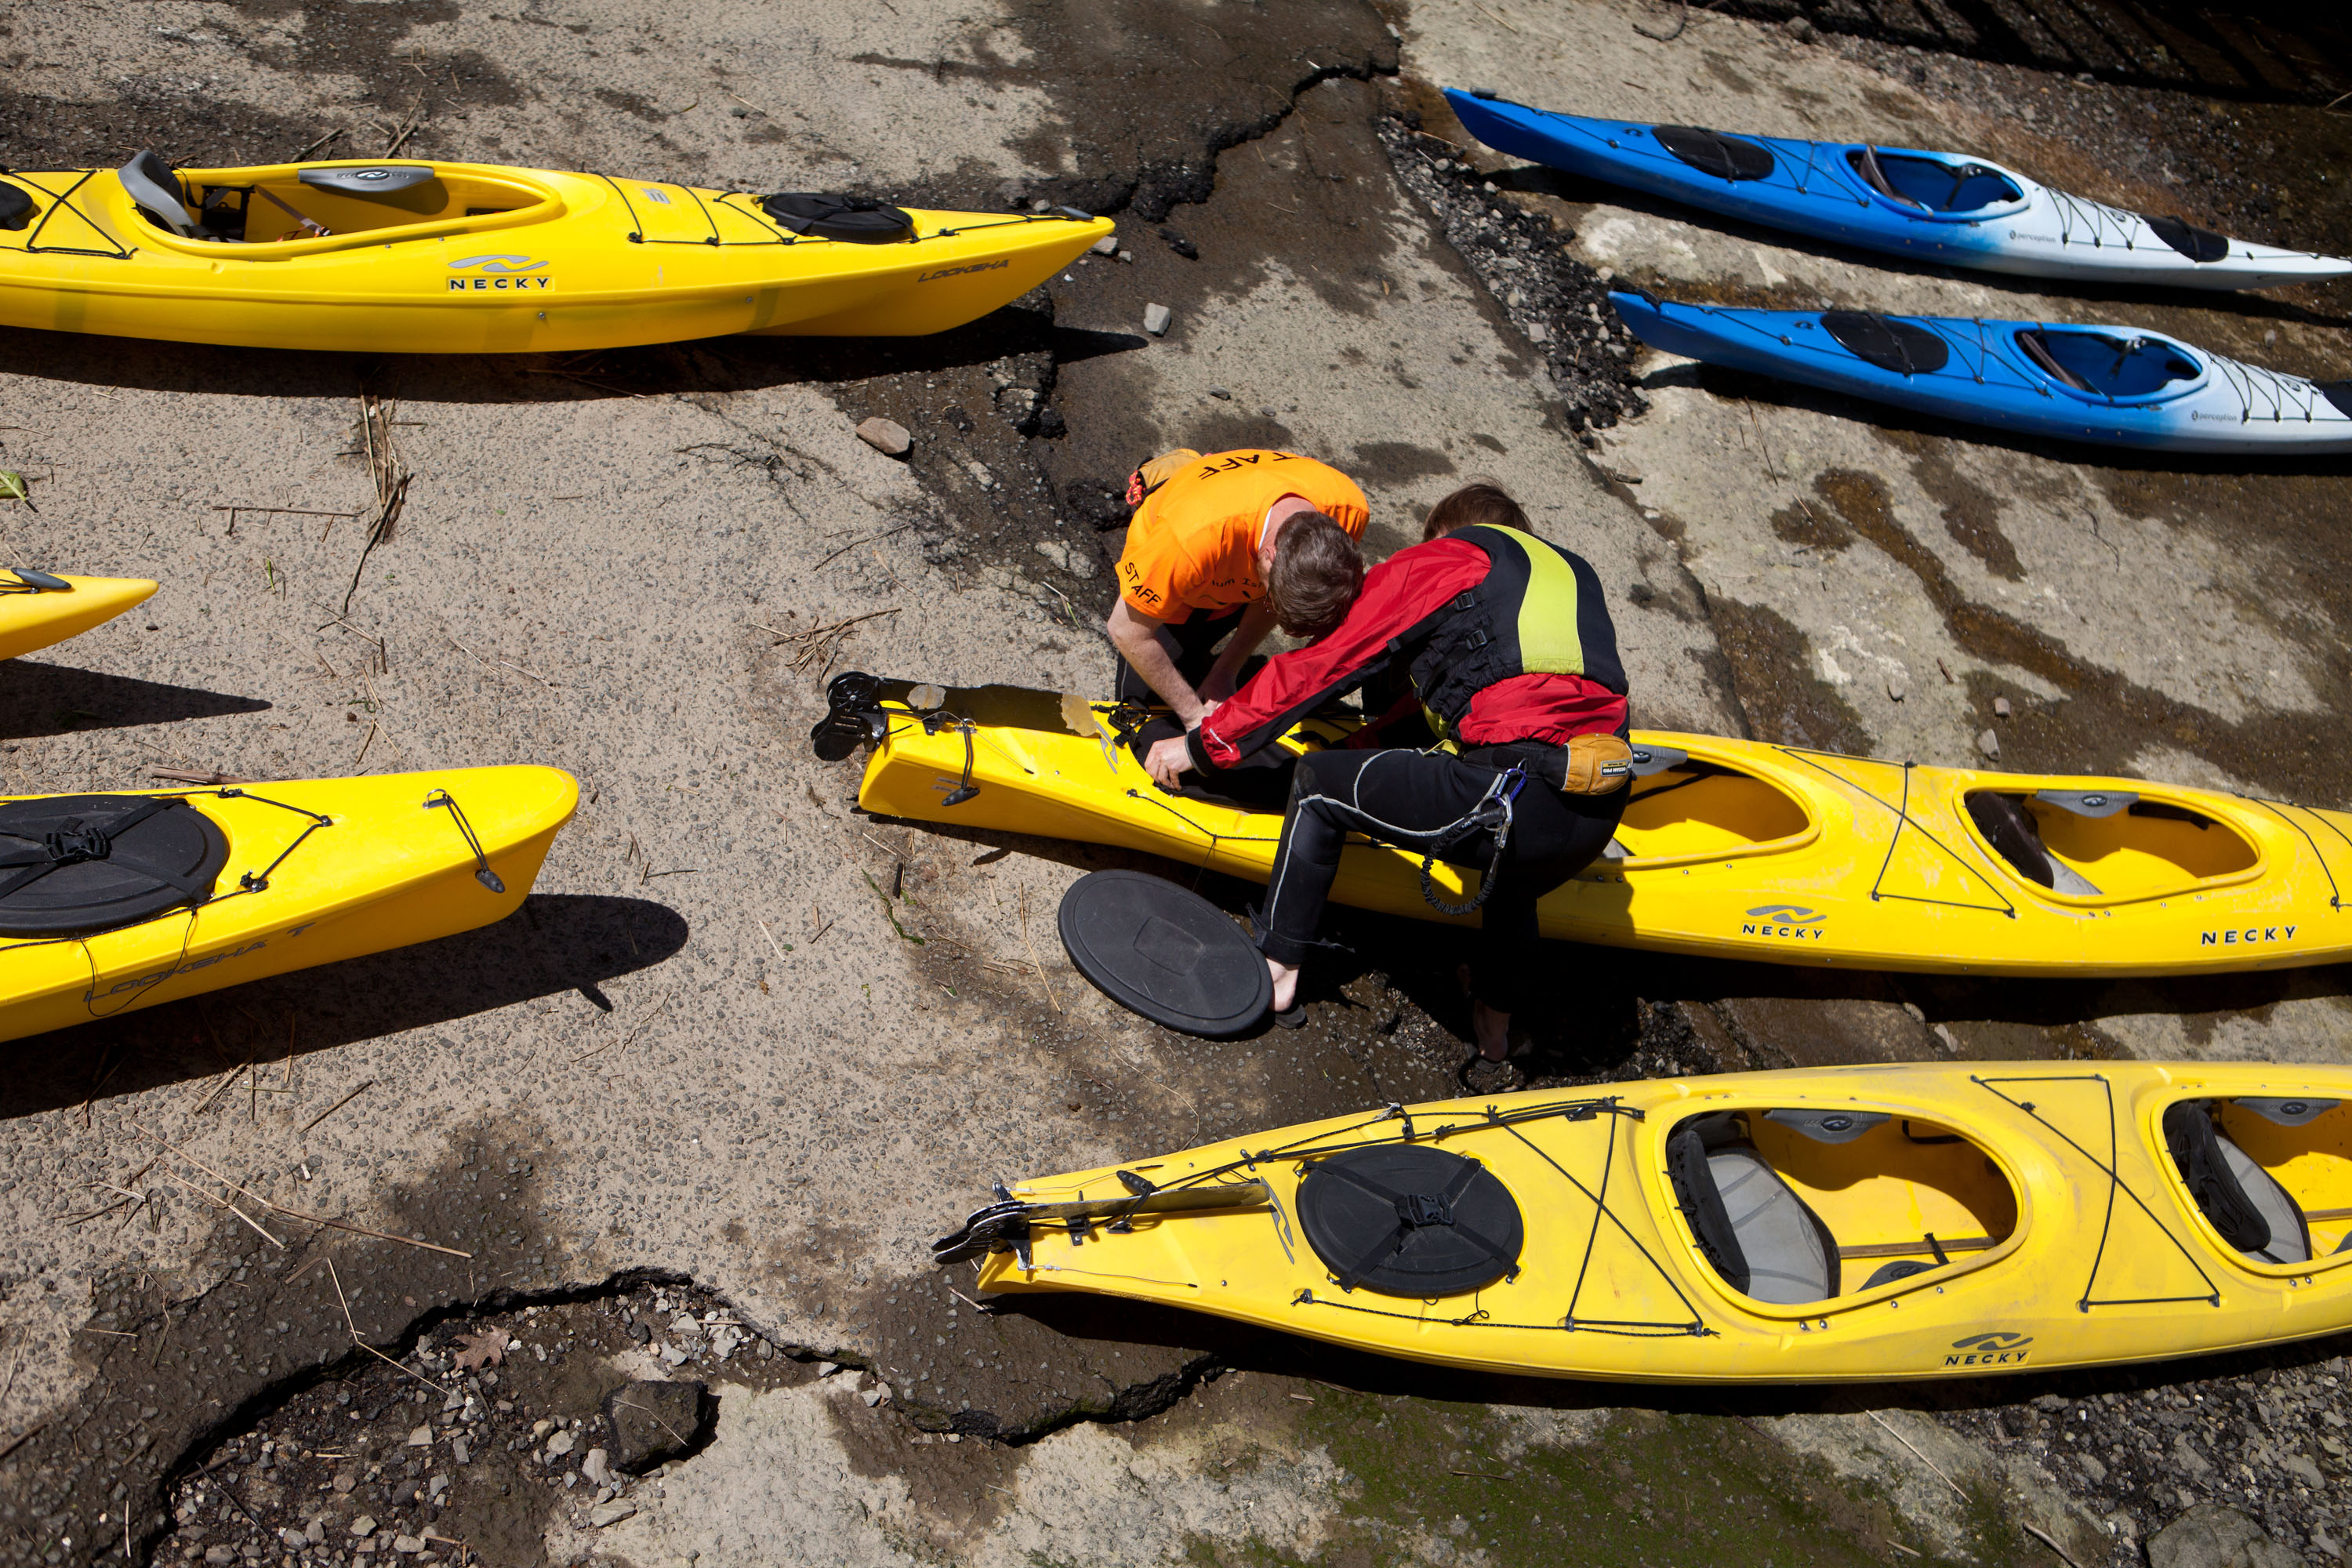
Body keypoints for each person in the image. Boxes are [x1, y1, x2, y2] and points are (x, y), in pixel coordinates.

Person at [1145, 481, 1632, 1062]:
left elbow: (1319, 667)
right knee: (1513, 881)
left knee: (1318, 786)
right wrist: (1363, 747)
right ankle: (1495, 1027)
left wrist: (1200, 747)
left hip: (1507, 798)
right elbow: (1460, 702)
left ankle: (1276, 970)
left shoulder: (1451, 556)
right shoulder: (1571, 575)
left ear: (1444, 534)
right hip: (1595, 812)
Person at [1106, 447, 1370, 727]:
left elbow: (1273, 599)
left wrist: (1227, 670)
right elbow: (1126, 631)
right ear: (1269, 556)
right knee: (1140, 708)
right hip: (1182, 573)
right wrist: (1192, 714)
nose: (1270, 604)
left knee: (1197, 669)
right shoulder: (1189, 541)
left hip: (1229, 562)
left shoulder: (1349, 511)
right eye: (1271, 596)